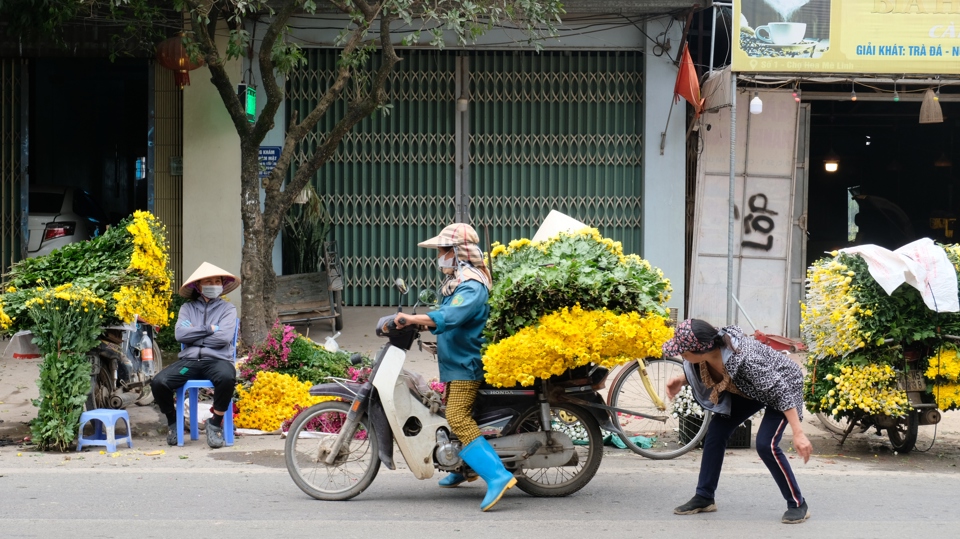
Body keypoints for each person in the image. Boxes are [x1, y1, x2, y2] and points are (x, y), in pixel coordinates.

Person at [393, 222, 516, 512]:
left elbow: (451, 313)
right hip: (456, 360)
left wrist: (413, 319)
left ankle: (497, 475)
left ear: (459, 253)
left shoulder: (471, 285)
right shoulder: (459, 280)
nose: (440, 256)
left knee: (458, 417)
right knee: (450, 413)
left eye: (444, 250)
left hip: (466, 363)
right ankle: (465, 468)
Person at [663, 319, 813, 524]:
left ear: (700, 349)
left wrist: (798, 432)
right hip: (752, 387)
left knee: (766, 445)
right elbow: (710, 370)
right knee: (716, 432)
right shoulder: (710, 353)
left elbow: (780, 393)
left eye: (683, 350)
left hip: (783, 385)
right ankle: (705, 496)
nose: (680, 354)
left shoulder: (745, 359)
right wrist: (681, 379)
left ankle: (798, 504)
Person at [150, 262, 240, 449]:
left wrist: (195, 336)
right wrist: (209, 329)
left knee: (227, 377)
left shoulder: (227, 310)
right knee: (159, 382)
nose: (214, 285)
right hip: (189, 362)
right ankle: (173, 421)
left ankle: (215, 423)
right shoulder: (187, 309)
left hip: (217, 360)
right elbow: (180, 335)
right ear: (198, 286)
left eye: (217, 281)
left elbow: (223, 339)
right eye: (209, 281)